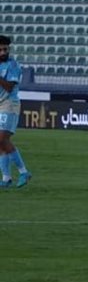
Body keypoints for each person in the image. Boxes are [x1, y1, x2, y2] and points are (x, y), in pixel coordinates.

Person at [0, 36, 31, 188]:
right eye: (0, 49)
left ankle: (24, 172)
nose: (3, 52)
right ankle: (6, 178)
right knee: (0, 143)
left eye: (5, 49)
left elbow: (9, 87)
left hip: (9, 103)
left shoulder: (13, 65)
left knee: (2, 139)